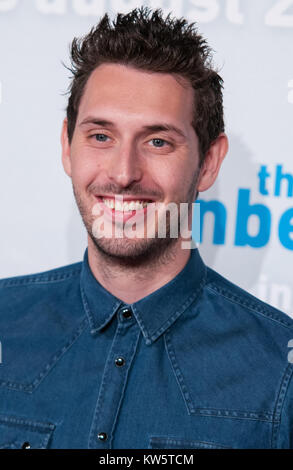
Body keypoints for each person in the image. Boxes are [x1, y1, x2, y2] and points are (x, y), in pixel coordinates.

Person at [0, 6, 292, 450]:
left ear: (209, 162)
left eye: (158, 141)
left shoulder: (279, 370)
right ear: (67, 146)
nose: (122, 173)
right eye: (101, 136)